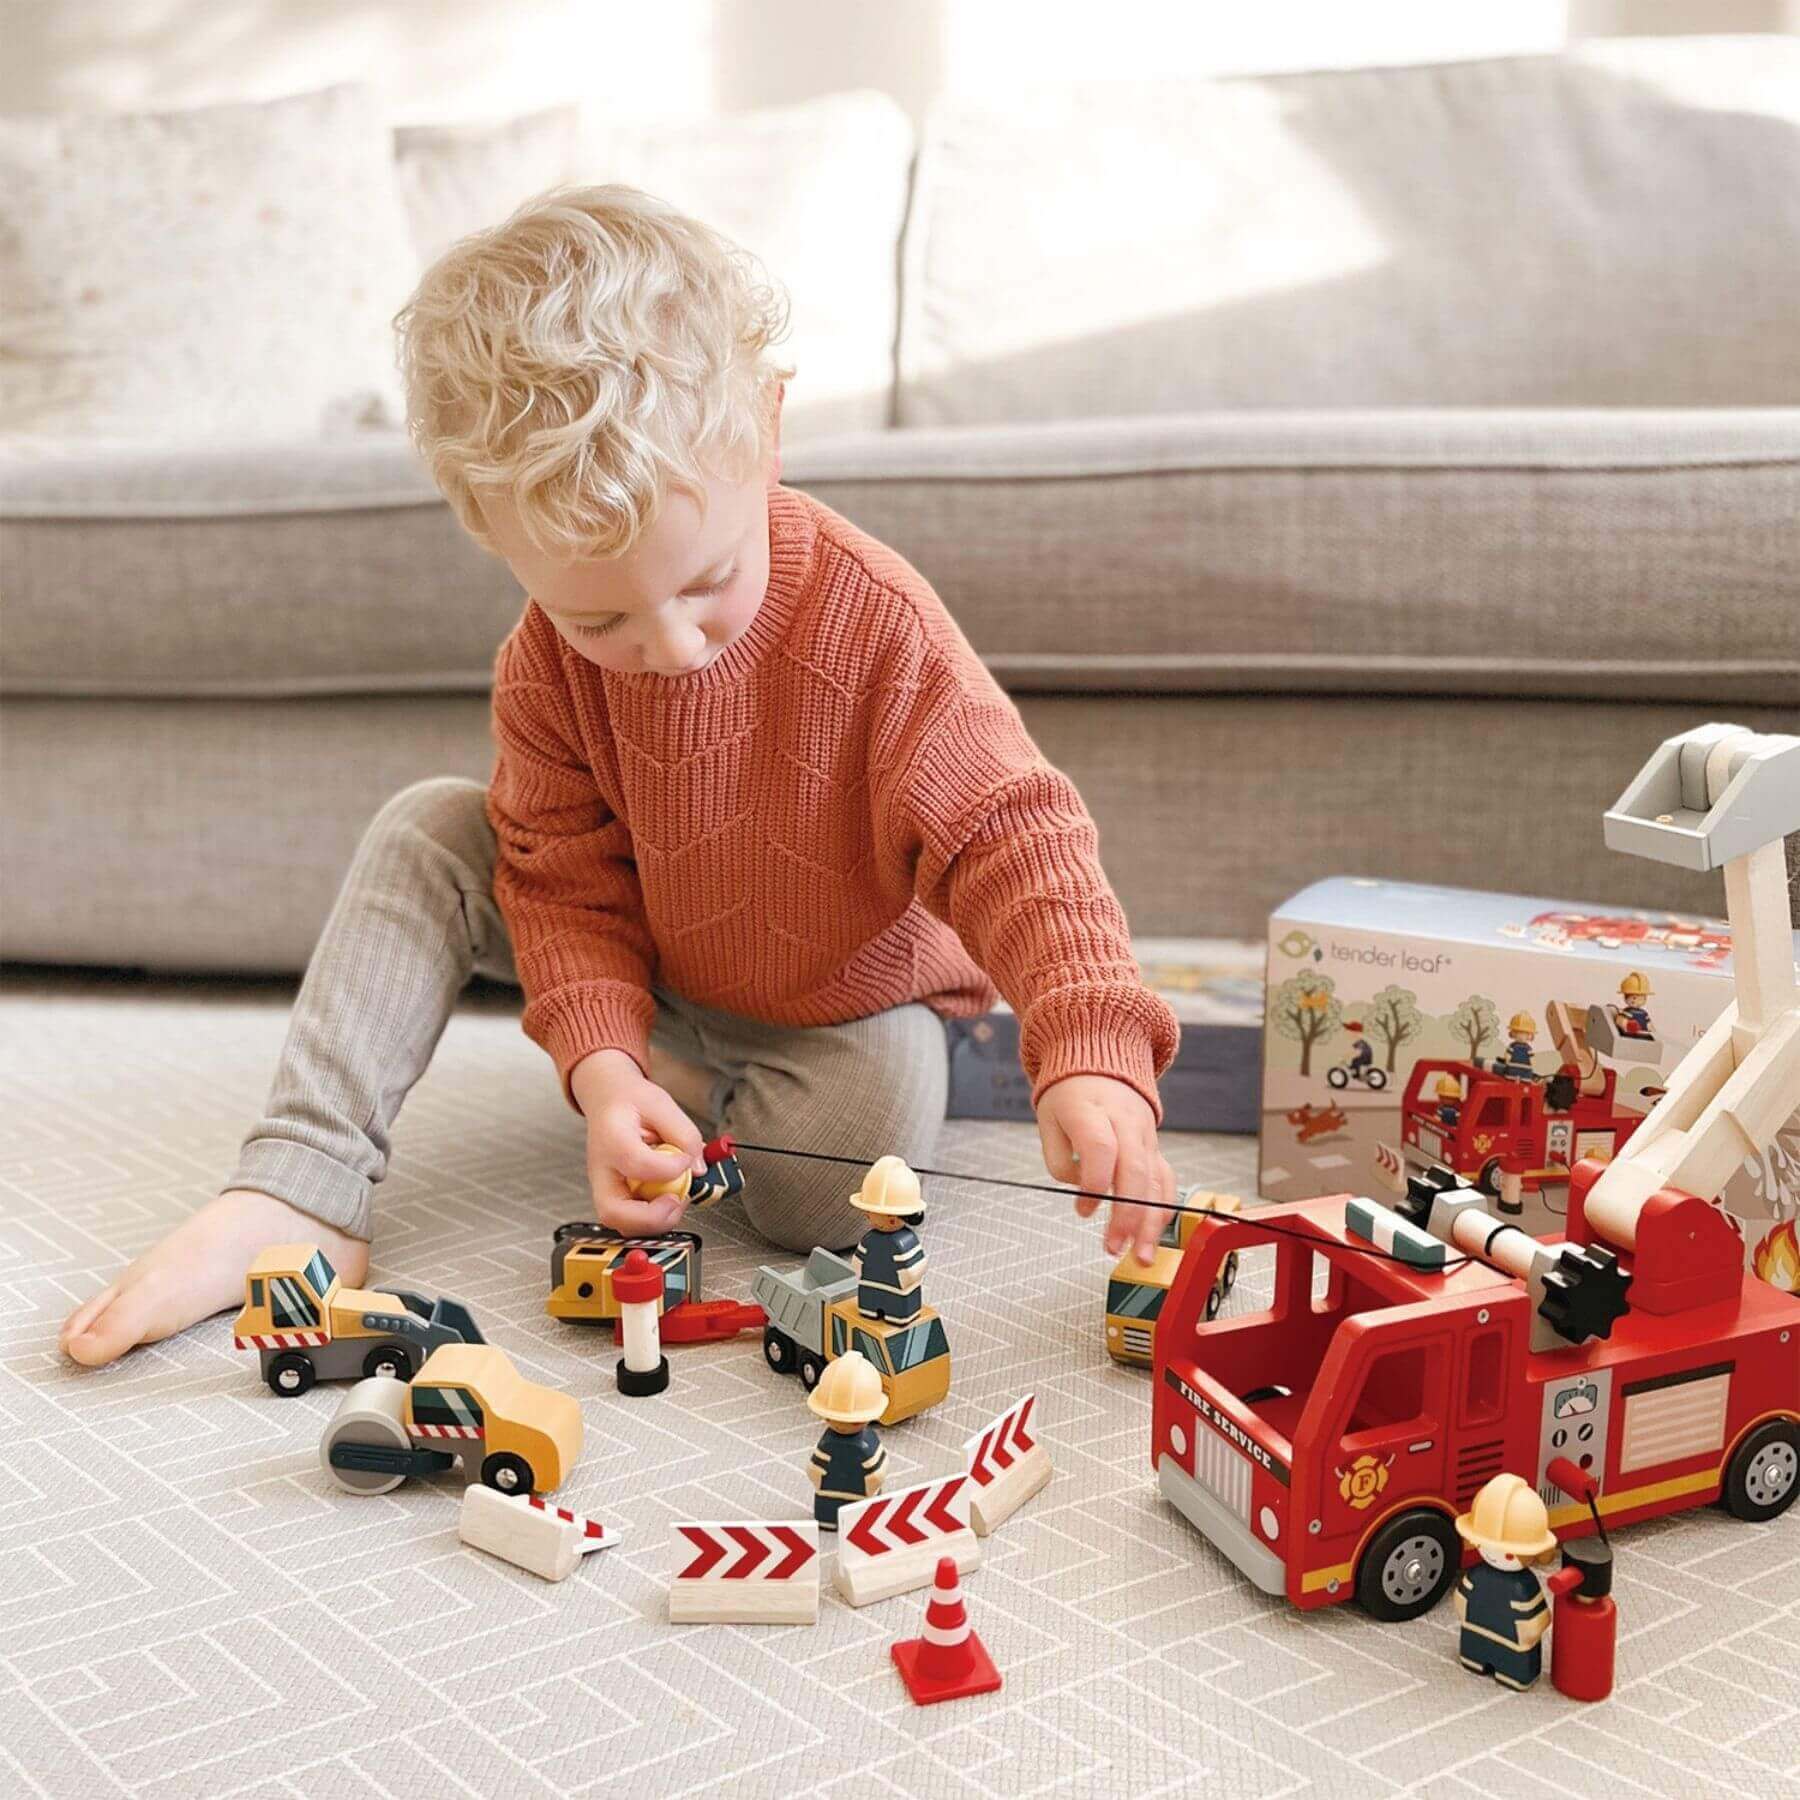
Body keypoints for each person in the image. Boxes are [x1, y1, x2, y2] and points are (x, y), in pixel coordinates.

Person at [60, 185, 1181, 1368]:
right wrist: (602, 1065)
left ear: (769, 430)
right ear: (494, 537)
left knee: (845, 1194)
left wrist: (1089, 1046)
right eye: (601, 616)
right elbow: (559, 880)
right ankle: (304, 1183)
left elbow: (1017, 838)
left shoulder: (878, 625)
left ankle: (685, 1086)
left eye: (706, 582)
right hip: (645, 952)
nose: (672, 645)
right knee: (428, 828)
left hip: (836, 997)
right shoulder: (544, 667)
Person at [1453, 1473, 1556, 1690]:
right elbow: (1536, 1621)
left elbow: (1461, 1600)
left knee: (1483, 1656)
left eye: (1508, 1554)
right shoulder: (1522, 1585)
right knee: (1509, 1664)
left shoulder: (1482, 1575)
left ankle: (1479, 1663)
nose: (1492, 1554)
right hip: (1512, 1646)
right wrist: (1530, 1634)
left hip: (1481, 1638)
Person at [849, 1156, 927, 1323]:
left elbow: (914, 1269)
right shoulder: (870, 1239)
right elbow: (858, 1262)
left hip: (895, 1295)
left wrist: (907, 1281)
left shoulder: (901, 1243)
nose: (867, 1215)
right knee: (873, 1302)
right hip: (874, 1290)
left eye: (870, 1211)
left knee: (892, 1305)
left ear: (893, 1218)